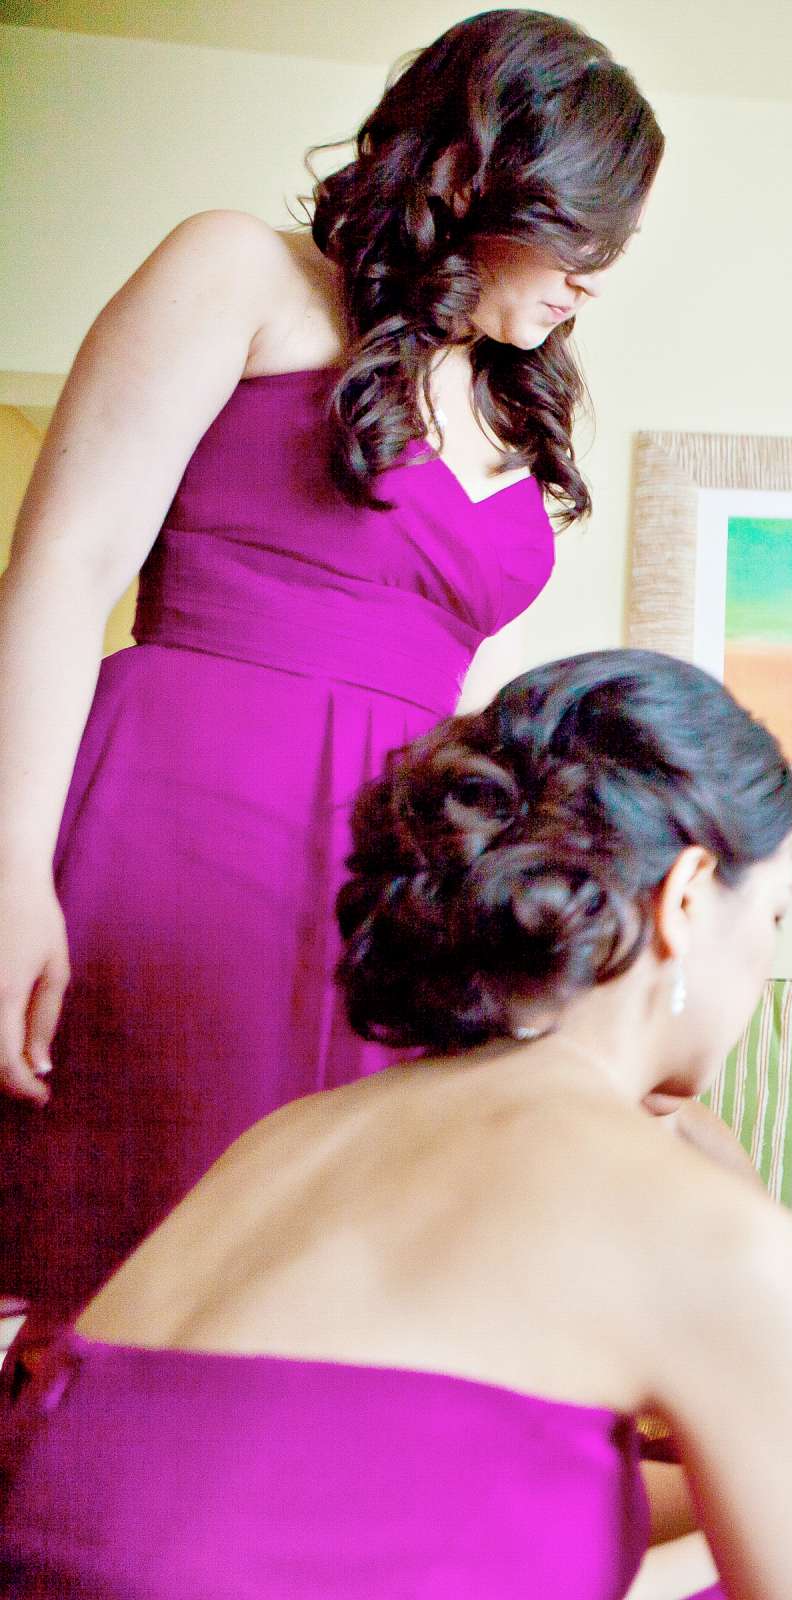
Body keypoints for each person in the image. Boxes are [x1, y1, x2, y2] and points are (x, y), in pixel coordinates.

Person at [0, 650, 792, 1600]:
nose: (766, 964)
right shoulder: (702, 1231)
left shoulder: (279, 1146)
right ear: (686, 900)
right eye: (772, 918)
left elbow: (375, 1498)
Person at [0, 10, 664, 1347]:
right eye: (577, 239)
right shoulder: (241, 273)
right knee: (116, 1268)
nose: (589, 285)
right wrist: (7, 876)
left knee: (322, 1306)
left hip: (392, 895)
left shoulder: (512, 405)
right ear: (475, 179)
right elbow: (64, 569)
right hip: (169, 828)